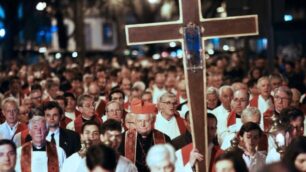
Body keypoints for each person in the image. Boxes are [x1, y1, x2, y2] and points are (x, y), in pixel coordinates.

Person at [119, 99, 171, 172]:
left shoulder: (164, 138)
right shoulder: (122, 139)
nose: (143, 124)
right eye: (139, 121)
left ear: (152, 121)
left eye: (146, 121)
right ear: (135, 122)